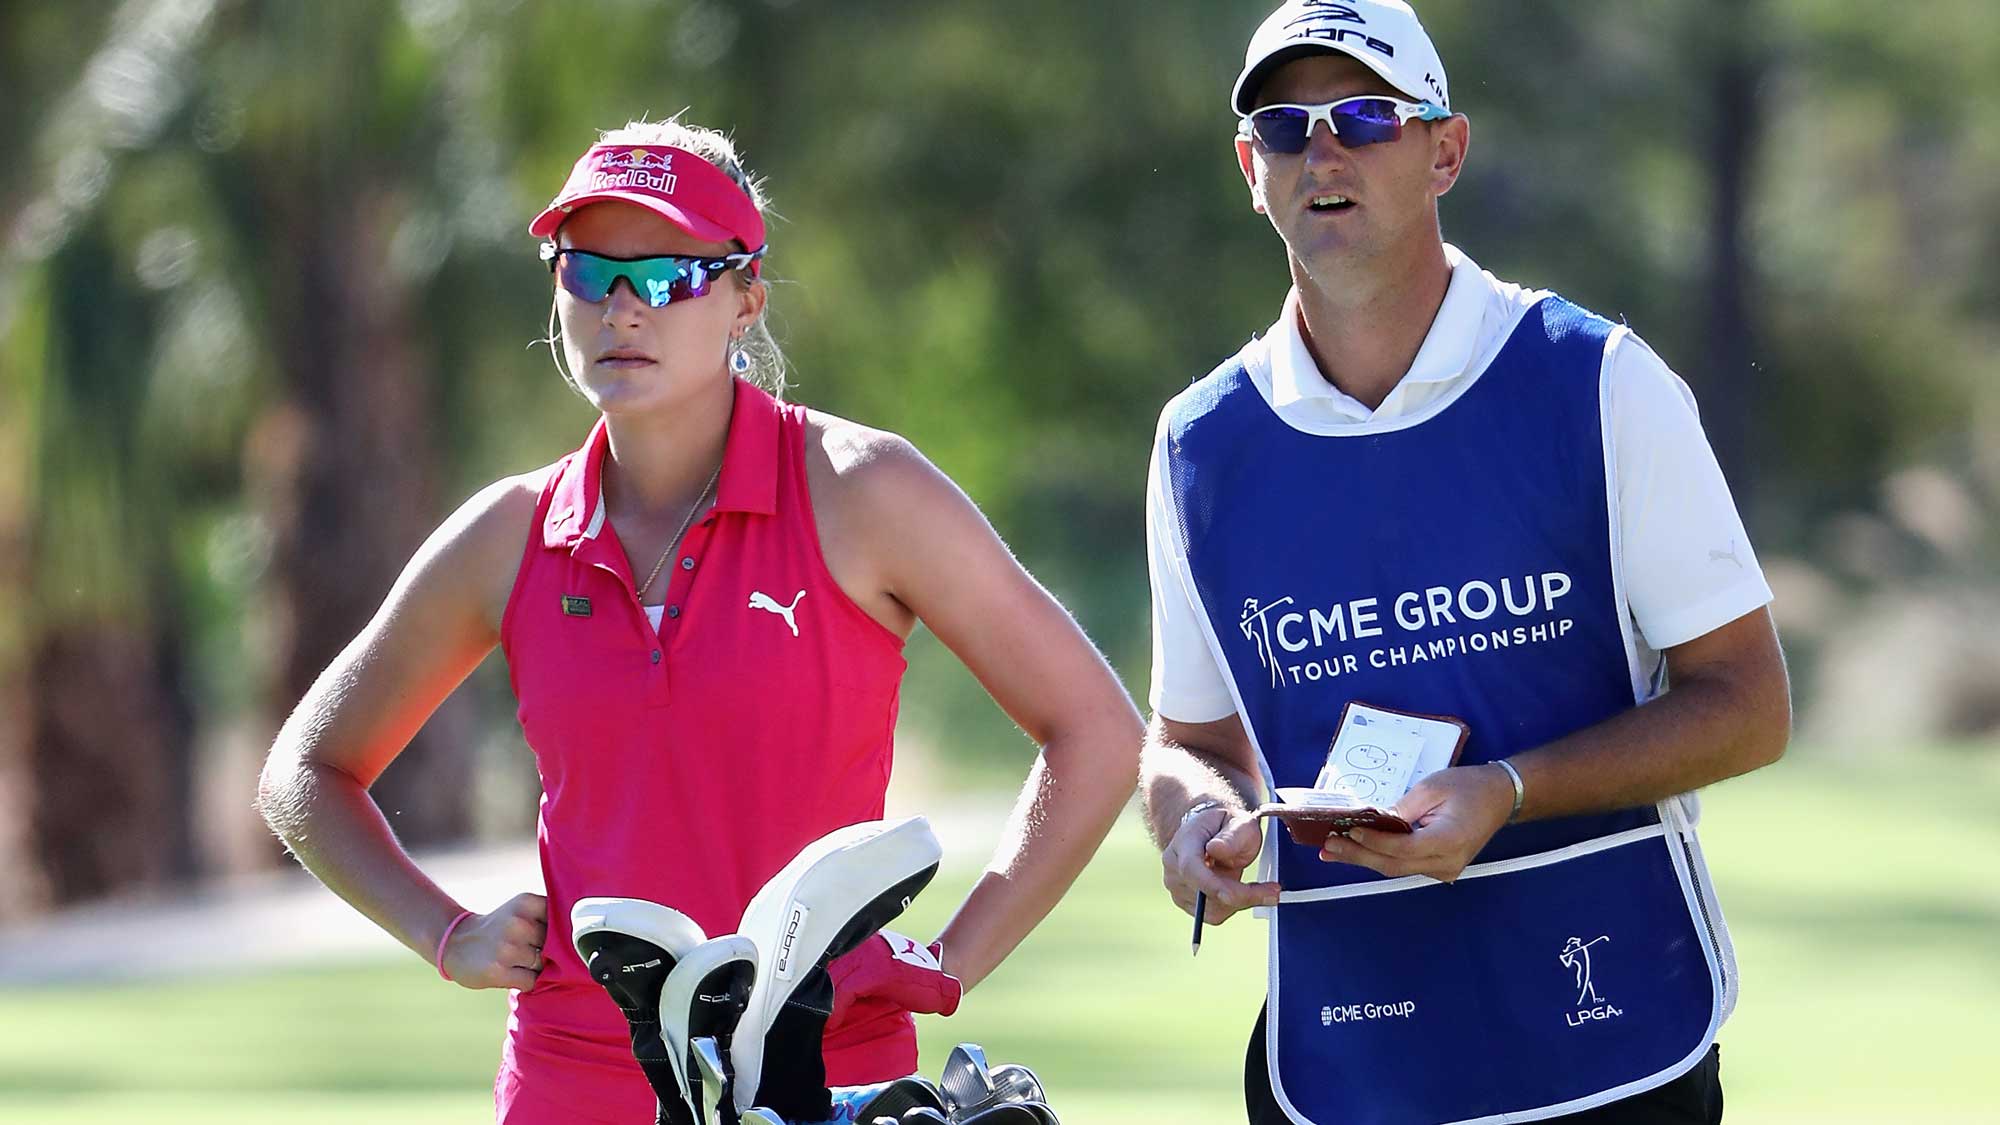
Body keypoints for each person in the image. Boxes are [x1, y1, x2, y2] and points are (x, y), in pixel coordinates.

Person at [257, 115, 1144, 1125]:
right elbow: (306, 774)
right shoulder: (508, 535)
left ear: (744, 296)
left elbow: (1096, 734)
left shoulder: (864, 492)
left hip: (825, 1077)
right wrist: (443, 930)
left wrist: (947, 962)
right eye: (589, 273)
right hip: (574, 1082)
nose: (623, 308)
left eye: (670, 274)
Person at [1139, 3, 1791, 1123]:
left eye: (1362, 116)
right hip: (1348, 1057)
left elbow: (1747, 706)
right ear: (1252, 170)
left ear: (1444, 149)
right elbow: (1189, 743)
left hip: (1610, 1038)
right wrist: (1192, 821)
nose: (1322, 152)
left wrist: (1507, 789)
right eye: (1286, 129)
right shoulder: (1200, 445)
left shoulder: (1596, 383)